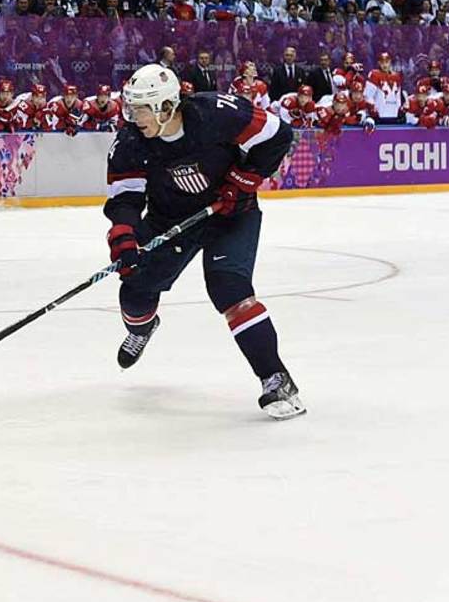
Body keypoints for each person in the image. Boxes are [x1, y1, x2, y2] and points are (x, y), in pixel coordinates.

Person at [104, 64, 304, 420]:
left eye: (141, 109)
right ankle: (143, 327)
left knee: (230, 289)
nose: (133, 117)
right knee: (133, 291)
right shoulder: (131, 140)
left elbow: (279, 135)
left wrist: (244, 179)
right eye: (130, 108)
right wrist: (124, 233)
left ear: (167, 107)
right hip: (171, 221)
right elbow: (125, 197)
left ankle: (276, 378)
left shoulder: (217, 113)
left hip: (231, 213)